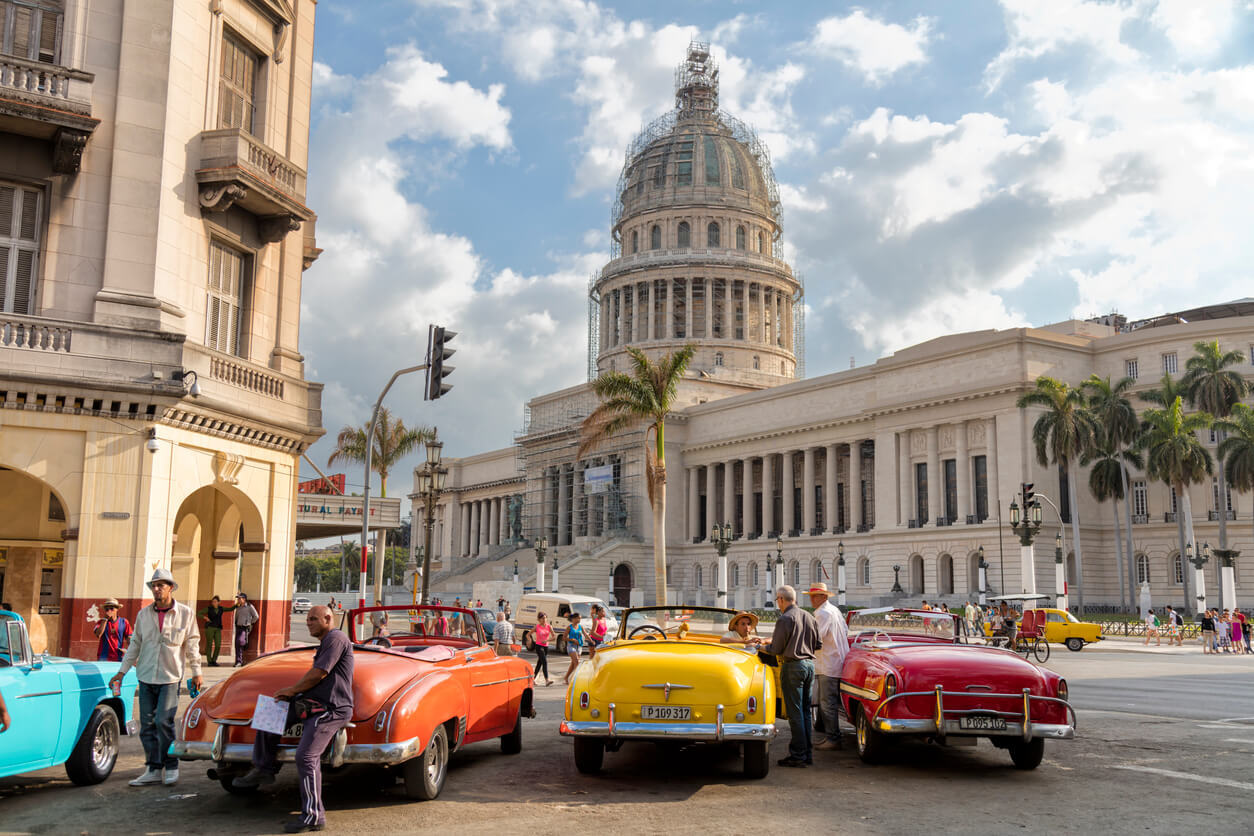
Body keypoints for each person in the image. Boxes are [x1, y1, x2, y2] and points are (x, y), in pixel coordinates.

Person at [234, 606, 354, 833]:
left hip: (331, 709)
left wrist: (293, 689)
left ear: (328, 619)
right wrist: (292, 695)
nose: (308, 622)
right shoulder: (326, 641)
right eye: (308, 619)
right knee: (271, 710)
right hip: (313, 704)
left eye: (313, 619)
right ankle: (264, 767)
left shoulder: (336, 638)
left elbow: (320, 673)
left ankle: (313, 816)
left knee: (306, 756)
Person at [110, 568, 202, 787]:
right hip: (146, 675)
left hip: (170, 676)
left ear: (171, 587)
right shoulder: (144, 615)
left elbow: (192, 644)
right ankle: (153, 768)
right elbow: (135, 645)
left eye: (161, 585)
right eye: (154, 585)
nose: (157, 589)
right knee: (147, 725)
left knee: (164, 721)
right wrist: (121, 672)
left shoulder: (186, 614)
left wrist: (197, 672)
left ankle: (171, 766)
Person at [763, 585, 821, 768]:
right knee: (805, 712)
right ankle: (806, 754)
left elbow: (776, 649)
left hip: (793, 667)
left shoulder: (785, 619)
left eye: (777, 601)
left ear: (781, 599)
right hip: (809, 665)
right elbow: (818, 644)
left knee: (795, 713)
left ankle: (797, 755)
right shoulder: (809, 617)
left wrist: (759, 647)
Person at [808, 583, 848, 751]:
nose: (811, 599)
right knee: (828, 701)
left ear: (823, 597)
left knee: (827, 703)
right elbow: (845, 630)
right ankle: (829, 733)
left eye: (815, 596)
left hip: (828, 663)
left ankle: (833, 738)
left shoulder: (822, 613)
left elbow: (816, 639)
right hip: (837, 660)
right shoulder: (835, 610)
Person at [197, 596, 231, 666]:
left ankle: (214, 660)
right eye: (212, 602)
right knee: (209, 644)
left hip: (218, 628)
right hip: (209, 628)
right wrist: (205, 617)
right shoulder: (209, 608)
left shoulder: (221, 608)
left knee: (218, 645)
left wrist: (237, 605)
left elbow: (230, 609)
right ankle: (209, 661)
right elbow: (198, 613)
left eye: (215, 601)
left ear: (219, 602)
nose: (213, 603)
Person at [232, 593, 260, 666]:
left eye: (239, 598)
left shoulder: (249, 607)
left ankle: (239, 660)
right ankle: (238, 661)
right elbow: (236, 617)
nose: (238, 600)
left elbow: (256, 616)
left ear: (244, 599)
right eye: (238, 598)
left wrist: (249, 622)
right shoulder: (238, 607)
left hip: (245, 627)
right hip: (238, 627)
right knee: (237, 644)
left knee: (240, 642)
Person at [563, 611, 585, 685]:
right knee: (577, 662)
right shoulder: (569, 627)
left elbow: (585, 634)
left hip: (579, 646)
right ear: (574, 619)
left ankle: (566, 677)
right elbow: (564, 638)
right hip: (571, 646)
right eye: (578, 618)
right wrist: (571, 639)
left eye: (580, 618)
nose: (579, 620)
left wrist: (591, 640)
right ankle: (576, 680)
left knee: (573, 663)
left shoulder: (580, 626)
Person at [532, 612, 553, 685]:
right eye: (542, 618)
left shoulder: (549, 626)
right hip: (538, 646)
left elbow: (554, 637)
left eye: (545, 618)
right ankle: (547, 680)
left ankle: (532, 679)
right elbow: (528, 634)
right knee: (544, 662)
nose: (544, 619)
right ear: (539, 619)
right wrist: (528, 640)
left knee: (539, 663)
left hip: (546, 647)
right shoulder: (537, 627)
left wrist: (547, 640)